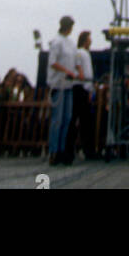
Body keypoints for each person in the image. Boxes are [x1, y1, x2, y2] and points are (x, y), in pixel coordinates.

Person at [47, 15, 78, 164]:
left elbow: (74, 60)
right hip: (58, 84)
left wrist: (75, 72)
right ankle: (53, 151)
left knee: (67, 119)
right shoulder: (56, 42)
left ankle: (62, 150)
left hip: (68, 85)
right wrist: (66, 71)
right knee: (57, 120)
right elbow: (53, 62)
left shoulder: (71, 43)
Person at [63, 30, 95, 162]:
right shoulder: (80, 53)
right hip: (79, 88)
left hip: (83, 88)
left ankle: (85, 151)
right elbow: (80, 68)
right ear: (84, 40)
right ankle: (72, 152)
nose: (91, 41)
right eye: (89, 38)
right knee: (79, 121)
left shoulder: (85, 54)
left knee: (83, 121)